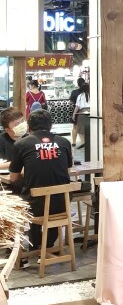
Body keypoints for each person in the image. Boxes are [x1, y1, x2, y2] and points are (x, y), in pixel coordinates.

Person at [9, 108, 73, 251]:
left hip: (34, 205)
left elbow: (13, 178)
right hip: (62, 203)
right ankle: (48, 245)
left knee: (28, 195)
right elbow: (67, 172)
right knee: (51, 200)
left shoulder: (21, 144)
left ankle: (35, 244)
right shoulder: (64, 142)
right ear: (51, 125)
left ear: (29, 127)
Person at [72, 82, 90, 149]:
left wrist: (74, 114)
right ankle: (89, 142)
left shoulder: (80, 96)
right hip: (91, 112)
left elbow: (77, 106)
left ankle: (83, 142)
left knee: (81, 129)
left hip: (82, 113)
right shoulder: (93, 95)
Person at [70, 76, 86, 145]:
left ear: (78, 84)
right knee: (84, 127)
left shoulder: (74, 92)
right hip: (86, 112)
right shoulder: (87, 92)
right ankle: (84, 142)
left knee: (75, 127)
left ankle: (74, 142)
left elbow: (71, 102)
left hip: (76, 111)